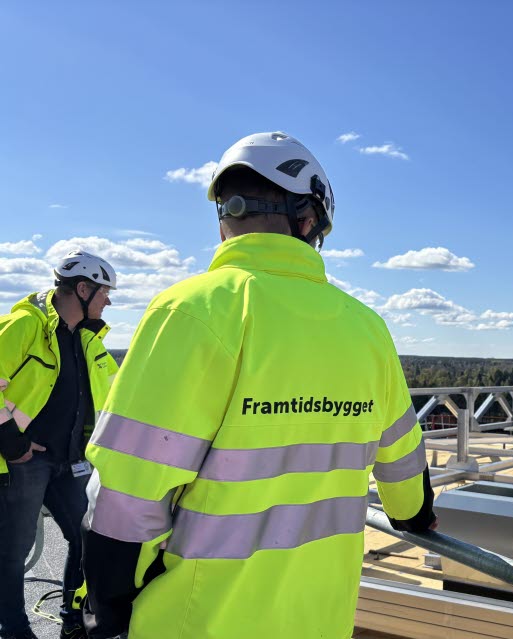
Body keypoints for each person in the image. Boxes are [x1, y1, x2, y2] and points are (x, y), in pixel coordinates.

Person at [82, 132, 436, 639]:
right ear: (310, 221)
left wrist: (109, 607)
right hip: (320, 618)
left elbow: (128, 491)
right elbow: (404, 471)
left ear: (225, 219)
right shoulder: (367, 329)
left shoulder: (192, 310)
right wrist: (416, 514)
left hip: (198, 619)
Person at [0, 251, 118, 639]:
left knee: (87, 537)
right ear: (82, 289)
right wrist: (12, 444)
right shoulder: (25, 326)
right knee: (13, 552)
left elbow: (118, 390)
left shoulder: (87, 338)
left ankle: (72, 620)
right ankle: (16, 630)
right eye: (104, 293)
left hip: (71, 461)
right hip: (24, 462)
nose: (108, 301)